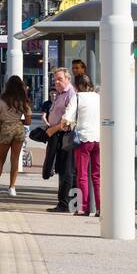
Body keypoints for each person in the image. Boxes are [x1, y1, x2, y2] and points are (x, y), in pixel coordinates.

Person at [0, 75, 33, 196]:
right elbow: (29, 121)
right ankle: (12, 188)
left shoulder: (1, 99)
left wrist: (4, 117)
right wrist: (19, 120)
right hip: (19, 130)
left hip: (5, 129)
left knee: (0, 159)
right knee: (15, 160)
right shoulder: (24, 100)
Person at [65, 73, 101, 215]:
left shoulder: (77, 97)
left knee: (82, 174)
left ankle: (83, 208)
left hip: (83, 140)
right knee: (97, 175)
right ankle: (100, 208)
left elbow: (67, 117)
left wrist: (67, 123)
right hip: (98, 139)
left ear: (77, 86)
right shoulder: (99, 98)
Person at [43, 67, 76, 212]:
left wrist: (52, 129)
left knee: (66, 170)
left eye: (60, 79)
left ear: (68, 79)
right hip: (56, 134)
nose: (56, 82)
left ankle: (65, 203)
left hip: (65, 135)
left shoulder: (70, 94)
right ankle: (62, 202)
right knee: (60, 168)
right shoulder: (60, 94)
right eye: (55, 79)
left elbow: (68, 119)